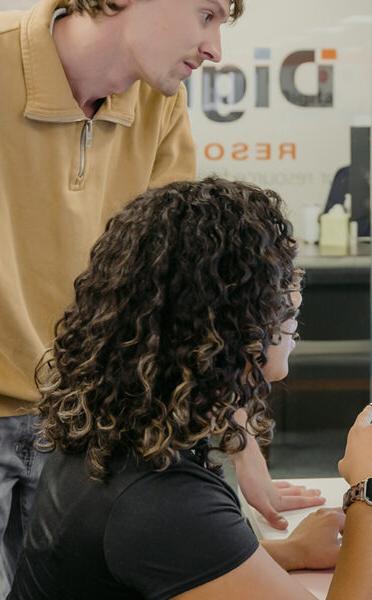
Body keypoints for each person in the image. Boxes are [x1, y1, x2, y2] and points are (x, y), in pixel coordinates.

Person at [0, 0, 315, 592]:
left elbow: (191, 294)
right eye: (207, 16)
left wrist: (240, 444)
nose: (216, 48)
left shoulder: (161, 100)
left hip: (72, 419)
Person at [10, 178, 372, 599]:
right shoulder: (161, 501)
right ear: (223, 321)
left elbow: (174, 567)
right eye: (277, 282)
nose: (294, 297)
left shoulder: (113, 428)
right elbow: (171, 536)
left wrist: (285, 553)